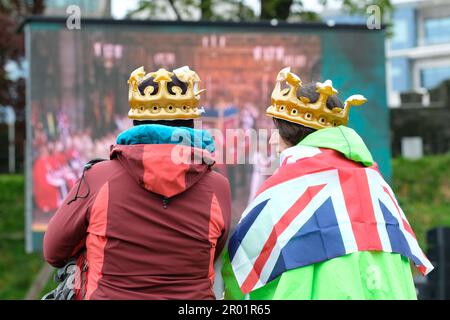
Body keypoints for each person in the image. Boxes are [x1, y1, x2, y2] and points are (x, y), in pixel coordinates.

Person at [222, 67, 433, 300]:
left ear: (291, 132)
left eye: (277, 130)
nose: (272, 139)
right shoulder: (377, 182)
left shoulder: (287, 185)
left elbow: (241, 267)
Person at [43, 66, 232, 299]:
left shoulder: (97, 178)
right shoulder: (218, 187)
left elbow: (54, 252)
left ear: (134, 123)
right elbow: (212, 253)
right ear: (191, 124)